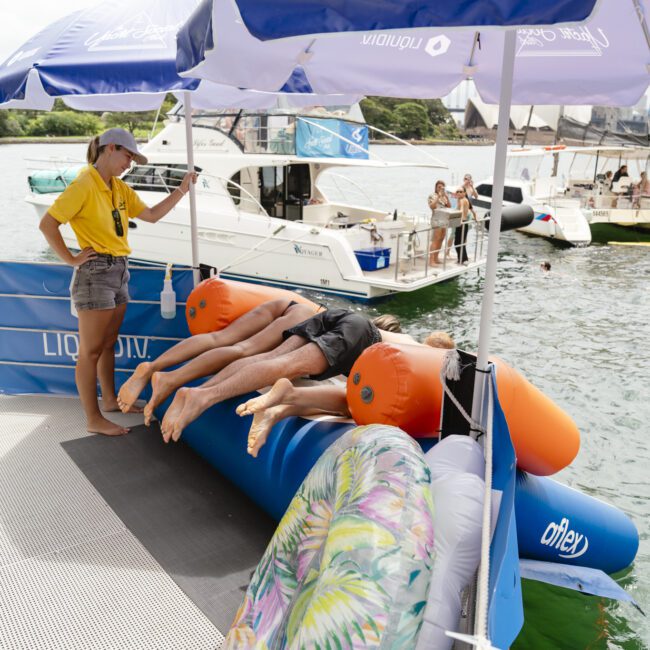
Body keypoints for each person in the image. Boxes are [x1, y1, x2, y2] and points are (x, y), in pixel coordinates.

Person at [38, 128, 197, 436]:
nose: (130, 164)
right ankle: (93, 418)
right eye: (128, 156)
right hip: (95, 272)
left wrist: (181, 190)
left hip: (119, 270)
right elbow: (48, 224)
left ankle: (110, 401)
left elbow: (150, 215)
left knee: (108, 343)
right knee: (91, 350)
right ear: (110, 148)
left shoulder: (118, 188)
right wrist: (70, 259)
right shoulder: (85, 183)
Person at [158, 308, 421, 443]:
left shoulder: (369, 331)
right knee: (286, 365)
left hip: (336, 315)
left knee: (269, 358)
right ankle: (205, 396)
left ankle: (199, 390)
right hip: (358, 332)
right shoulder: (398, 346)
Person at [240, 330, 457, 457]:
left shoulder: (407, 341)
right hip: (384, 372)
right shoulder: (431, 363)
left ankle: (280, 409)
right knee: (349, 404)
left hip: (369, 359)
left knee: (348, 401)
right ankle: (286, 401)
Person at [117, 298, 317, 423]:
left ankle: (153, 367)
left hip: (284, 304)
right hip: (304, 315)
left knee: (220, 338)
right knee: (243, 350)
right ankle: (170, 379)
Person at [446, 187, 475, 264]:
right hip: (461, 223)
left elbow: (461, 210)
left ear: (464, 193)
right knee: (460, 242)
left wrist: (461, 220)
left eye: (461, 192)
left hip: (462, 223)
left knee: (458, 243)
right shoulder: (462, 200)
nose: (459, 193)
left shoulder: (462, 200)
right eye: (457, 191)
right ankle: (462, 259)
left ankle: (463, 260)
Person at [428, 180, 451, 265]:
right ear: (436, 187)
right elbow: (432, 206)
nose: (440, 189)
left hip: (444, 219)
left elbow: (449, 206)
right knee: (435, 239)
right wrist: (438, 196)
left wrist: (446, 197)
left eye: (442, 187)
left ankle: (436, 258)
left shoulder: (444, 196)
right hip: (436, 219)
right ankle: (431, 260)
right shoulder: (432, 196)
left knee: (441, 239)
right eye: (439, 187)